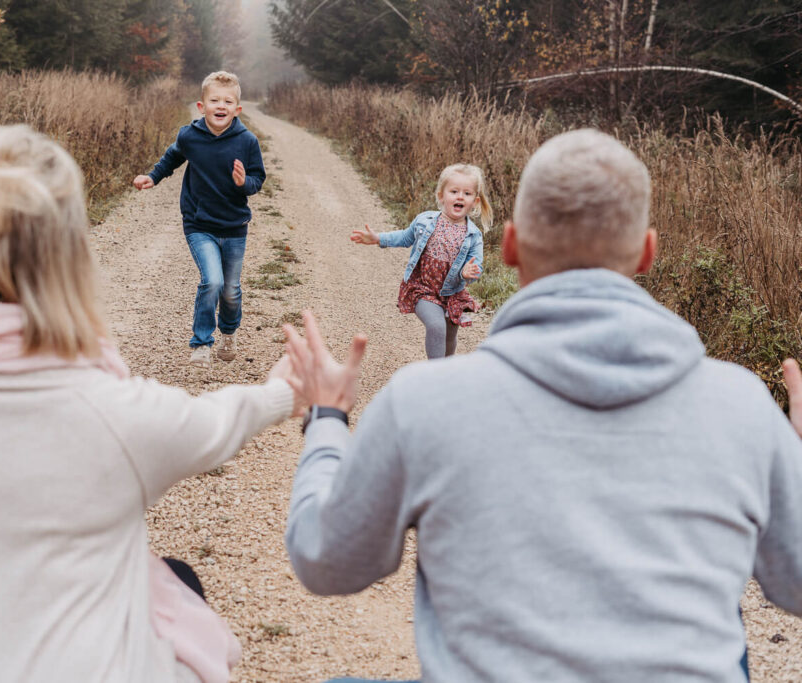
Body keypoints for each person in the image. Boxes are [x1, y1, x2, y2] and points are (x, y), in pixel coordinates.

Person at [282, 129, 802, 682]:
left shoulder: (421, 400)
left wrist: (329, 418)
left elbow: (325, 559)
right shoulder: (741, 404)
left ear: (509, 246)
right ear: (647, 253)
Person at [0, 124, 298, 682]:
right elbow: (221, 420)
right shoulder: (115, 411)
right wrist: (286, 389)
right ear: (73, 257)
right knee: (179, 584)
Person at [133, 70, 265, 369]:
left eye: (228, 101)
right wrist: (153, 177)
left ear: (237, 109)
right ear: (201, 106)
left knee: (230, 291)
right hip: (199, 224)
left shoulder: (247, 141)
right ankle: (201, 343)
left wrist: (244, 182)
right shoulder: (189, 136)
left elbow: (258, 179)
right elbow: (172, 158)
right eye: (214, 100)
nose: (221, 106)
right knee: (212, 281)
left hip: (234, 227)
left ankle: (228, 333)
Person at [350, 163, 489, 359]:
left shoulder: (473, 236)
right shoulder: (425, 221)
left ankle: (446, 372)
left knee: (449, 336)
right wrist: (378, 238)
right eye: (454, 191)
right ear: (441, 196)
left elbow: (477, 267)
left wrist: (468, 273)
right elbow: (405, 237)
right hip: (423, 288)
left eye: (466, 194)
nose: (460, 196)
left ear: (474, 202)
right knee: (436, 325)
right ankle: (434, 376)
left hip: (452, 294)